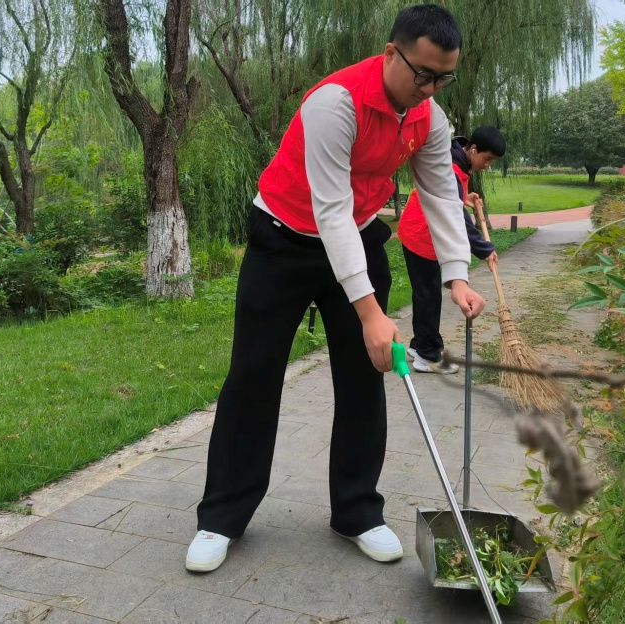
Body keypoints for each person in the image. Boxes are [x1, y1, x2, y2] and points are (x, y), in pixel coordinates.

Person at [186, 4, 485, 573]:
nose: (429, 89)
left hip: (359, 234)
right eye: (422, 74)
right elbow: (329, 210)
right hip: (285, 237)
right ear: (391, 53)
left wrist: (457, 275)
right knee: (253, 376)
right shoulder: (335, 102)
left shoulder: (429, 117)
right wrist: (371, 313)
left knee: (366, 374)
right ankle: (221, 517)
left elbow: (440, 194)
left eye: (443, 78)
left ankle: (357, 512)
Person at [397, 126, 505, 374]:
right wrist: (484, 248)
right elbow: (457, 220)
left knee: (425, 293)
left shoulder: (457, 159)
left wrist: (464, 198)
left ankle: (419, 344)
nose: (488, 165)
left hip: (423, 229)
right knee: (428, 296)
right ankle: (428, 355)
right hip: (421, 234)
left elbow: (447, 196)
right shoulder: (452, 167)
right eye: (487, 158)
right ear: (473, 149)